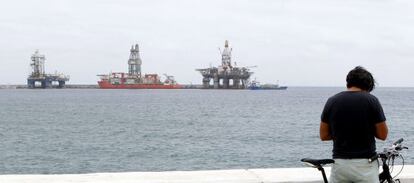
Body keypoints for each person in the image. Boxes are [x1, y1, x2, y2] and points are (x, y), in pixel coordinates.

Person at [320, 66, 388, 183]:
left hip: (340, 164)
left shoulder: (332, 101)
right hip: (365, 164)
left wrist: (342, 133)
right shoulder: (372, 100)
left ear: (348, 82)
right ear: (368, 85)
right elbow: (383, 135)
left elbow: (324, 135)